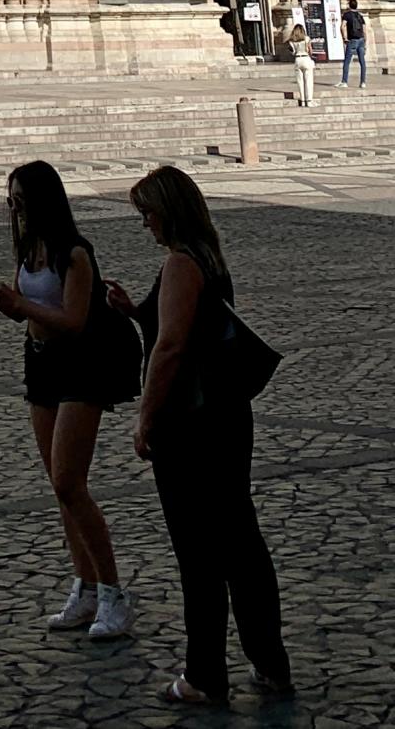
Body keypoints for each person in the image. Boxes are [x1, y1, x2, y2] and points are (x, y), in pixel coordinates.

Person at [109, 166, 292, 707]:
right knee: (242, 544)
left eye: (148, 212)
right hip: (228, 417)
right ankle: (270, 662)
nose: (145, 223)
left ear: (170, 209)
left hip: (192, 427)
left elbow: (170, 349)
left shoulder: (180, 264)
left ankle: (204, 674)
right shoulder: (209, 258)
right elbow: (192, 327)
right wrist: (137, 310)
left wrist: (145, 420)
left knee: (199, 553)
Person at [0, 161, 131, 641]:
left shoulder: (74, 254)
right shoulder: (29, 248)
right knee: (59, 487)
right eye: (10, 200)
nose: (14, 208)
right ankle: (83, 586)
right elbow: (24, 311)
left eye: (20, 199)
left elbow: (75, 321)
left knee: (69, 481)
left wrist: (20, 304)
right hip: (39, 362)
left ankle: (114, 593)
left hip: (80, 365)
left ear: (43, 200)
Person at [342, 0, 368, 86]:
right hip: (361, 40)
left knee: (347, 61)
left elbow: (342, 26)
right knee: (362, 62)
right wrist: (365, 41)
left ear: (349, 5)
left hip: (352, 40)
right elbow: (364, 30)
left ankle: (344, 82)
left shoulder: (346, 15)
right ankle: (363, 82)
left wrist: (344, 38)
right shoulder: (360, 16)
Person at [288, 20, 315, 107]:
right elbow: (310, 50)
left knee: (300, 82)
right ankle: (309, 100)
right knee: (308, 81)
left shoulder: (292, 41)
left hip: (297, 60)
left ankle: (302, 100)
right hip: (306, 58)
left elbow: (292, 52)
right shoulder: (307, 38)